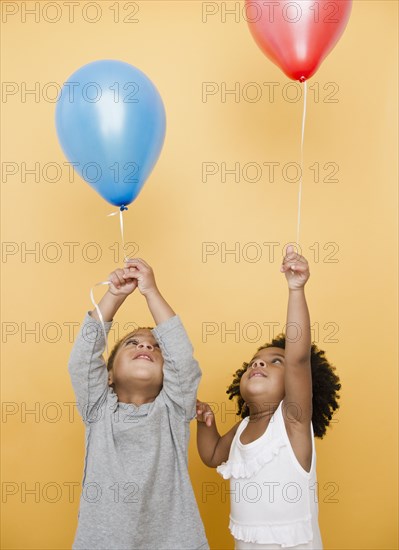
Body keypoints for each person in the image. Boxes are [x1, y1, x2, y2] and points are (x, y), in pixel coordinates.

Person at [197, 246, 340, 550]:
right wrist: (205, 423)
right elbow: (212, 457)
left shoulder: (292, 421)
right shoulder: (242, 428)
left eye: (276, 361)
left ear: (292, 383)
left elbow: (298, 358)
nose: (258, 363)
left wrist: (296, 289)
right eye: (254, 362)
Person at [68, 258, 209, 550]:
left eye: (156, 347)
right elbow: (82, 358)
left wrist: (151, 292)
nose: (146, 346)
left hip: (174, 543)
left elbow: (181, 358)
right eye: (133, 343)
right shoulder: (98, 410)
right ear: (108, 375)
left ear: (167, 374)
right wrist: (114, 296)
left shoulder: (173, 409)